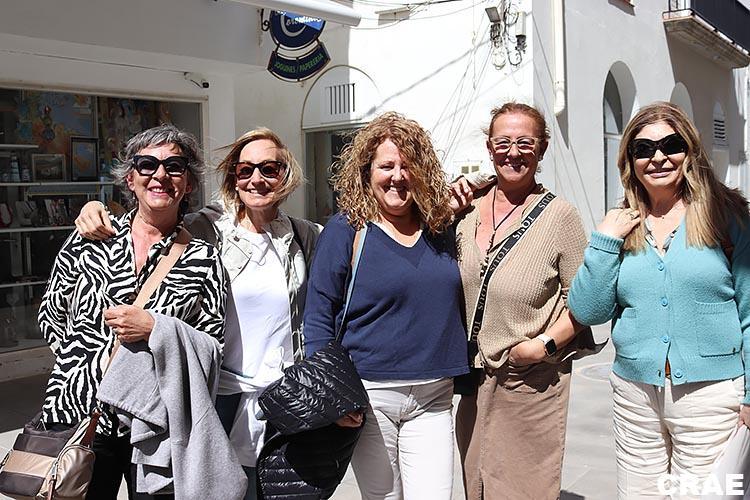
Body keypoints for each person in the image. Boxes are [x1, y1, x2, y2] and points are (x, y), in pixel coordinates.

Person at [74, 127, 320, 500]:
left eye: (270, 168)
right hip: (219, 395)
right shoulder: (208, 228)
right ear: (233, 177)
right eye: (245, 170)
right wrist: (94, 208)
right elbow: (153, 211)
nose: (257, 179)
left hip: (282, 395)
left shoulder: (305, 236)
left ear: (286, 174)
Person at [568, 102, 750, 498]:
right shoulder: (621, 224)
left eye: (671, 145)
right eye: (644, 149)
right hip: (635, 395)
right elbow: (588, 310)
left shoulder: (727, 217)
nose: (658, 157)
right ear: (629, 161)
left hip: (710, 395)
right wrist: (604, 242)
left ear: (690, 150)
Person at [40, 125, 227, 499]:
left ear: (189, 183)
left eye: (174, 166)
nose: (160, 175)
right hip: (80, 416)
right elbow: (51, 315)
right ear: (130, 178)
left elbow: (213, 346)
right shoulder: (91, 239)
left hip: (155, 425)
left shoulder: (204, 260)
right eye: (147, 165)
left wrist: (156, 328)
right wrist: (86, 369)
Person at [302, 111, 469, 500]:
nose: (397, 176)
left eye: (407, 166)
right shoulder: (346, 230)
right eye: (386, 166)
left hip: (433, 396)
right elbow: (318, 316)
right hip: (370, 396)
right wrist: (332, 394)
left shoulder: (440, 227)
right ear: (367, 172)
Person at [454, 102, 592, 500]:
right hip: (473, 381)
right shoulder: (466, 210)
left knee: (522, 490)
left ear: (542, 148)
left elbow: (585, 302)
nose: (513, 153)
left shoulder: (561, 217)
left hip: (530, 381)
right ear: (489, 148)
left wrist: (542, 346)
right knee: (476, 486)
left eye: (525, 143)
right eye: (503, 143)